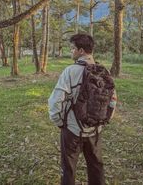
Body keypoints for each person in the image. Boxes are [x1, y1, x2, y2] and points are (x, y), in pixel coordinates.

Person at [48, 34, 117, 185]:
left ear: (80, 50)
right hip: (95, 130)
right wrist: (103, 121)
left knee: (69, 168)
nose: (70, 51)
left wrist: (60, 122)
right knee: (96, 166)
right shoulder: (104, 71)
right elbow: (112, 100)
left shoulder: (70, 71)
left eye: (72, 48)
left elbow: (55, 102)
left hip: (72, 130)